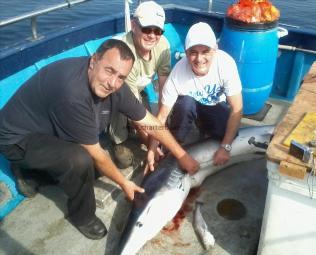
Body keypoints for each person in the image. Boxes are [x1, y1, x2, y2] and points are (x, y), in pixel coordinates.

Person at [0, 39, 199, 240]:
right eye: (109, 71)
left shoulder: (115, 86)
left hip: (48, 127)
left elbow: (148, 120)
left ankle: (35, 174)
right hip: (17, 140)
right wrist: (124, 184)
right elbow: (97, 154)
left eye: (121, 77)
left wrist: (180, 154)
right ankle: (81, 215)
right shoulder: (72, 93)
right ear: (93, 61)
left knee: (92, 170)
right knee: (81, 161)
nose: (112, 83)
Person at [147, 22, 243, 172]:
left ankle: (206, 129)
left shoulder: (226, 64)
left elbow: (237, 107)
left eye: (205, 51)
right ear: (186, 52)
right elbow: (160, 118)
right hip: (190, 107)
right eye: (193, 52)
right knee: (185, 103)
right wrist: (152, 150)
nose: (199, 59)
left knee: (232, 133)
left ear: (215, 50)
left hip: (214, 107)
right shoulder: (178, 73)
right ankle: (176, 144)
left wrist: (225, 146)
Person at [109, 1, 171, 168]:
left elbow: (164, 95)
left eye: (157, 31)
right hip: (114, 96)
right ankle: (117, 139)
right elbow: (133, 109)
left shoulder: (163, 45)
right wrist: (152, 146)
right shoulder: (125, 54)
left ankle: (134, 130)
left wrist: (158, 133)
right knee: (124, 160)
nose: (152, 36)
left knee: (161, 125)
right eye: (147, 29)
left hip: (138, 91)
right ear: (134, 25)